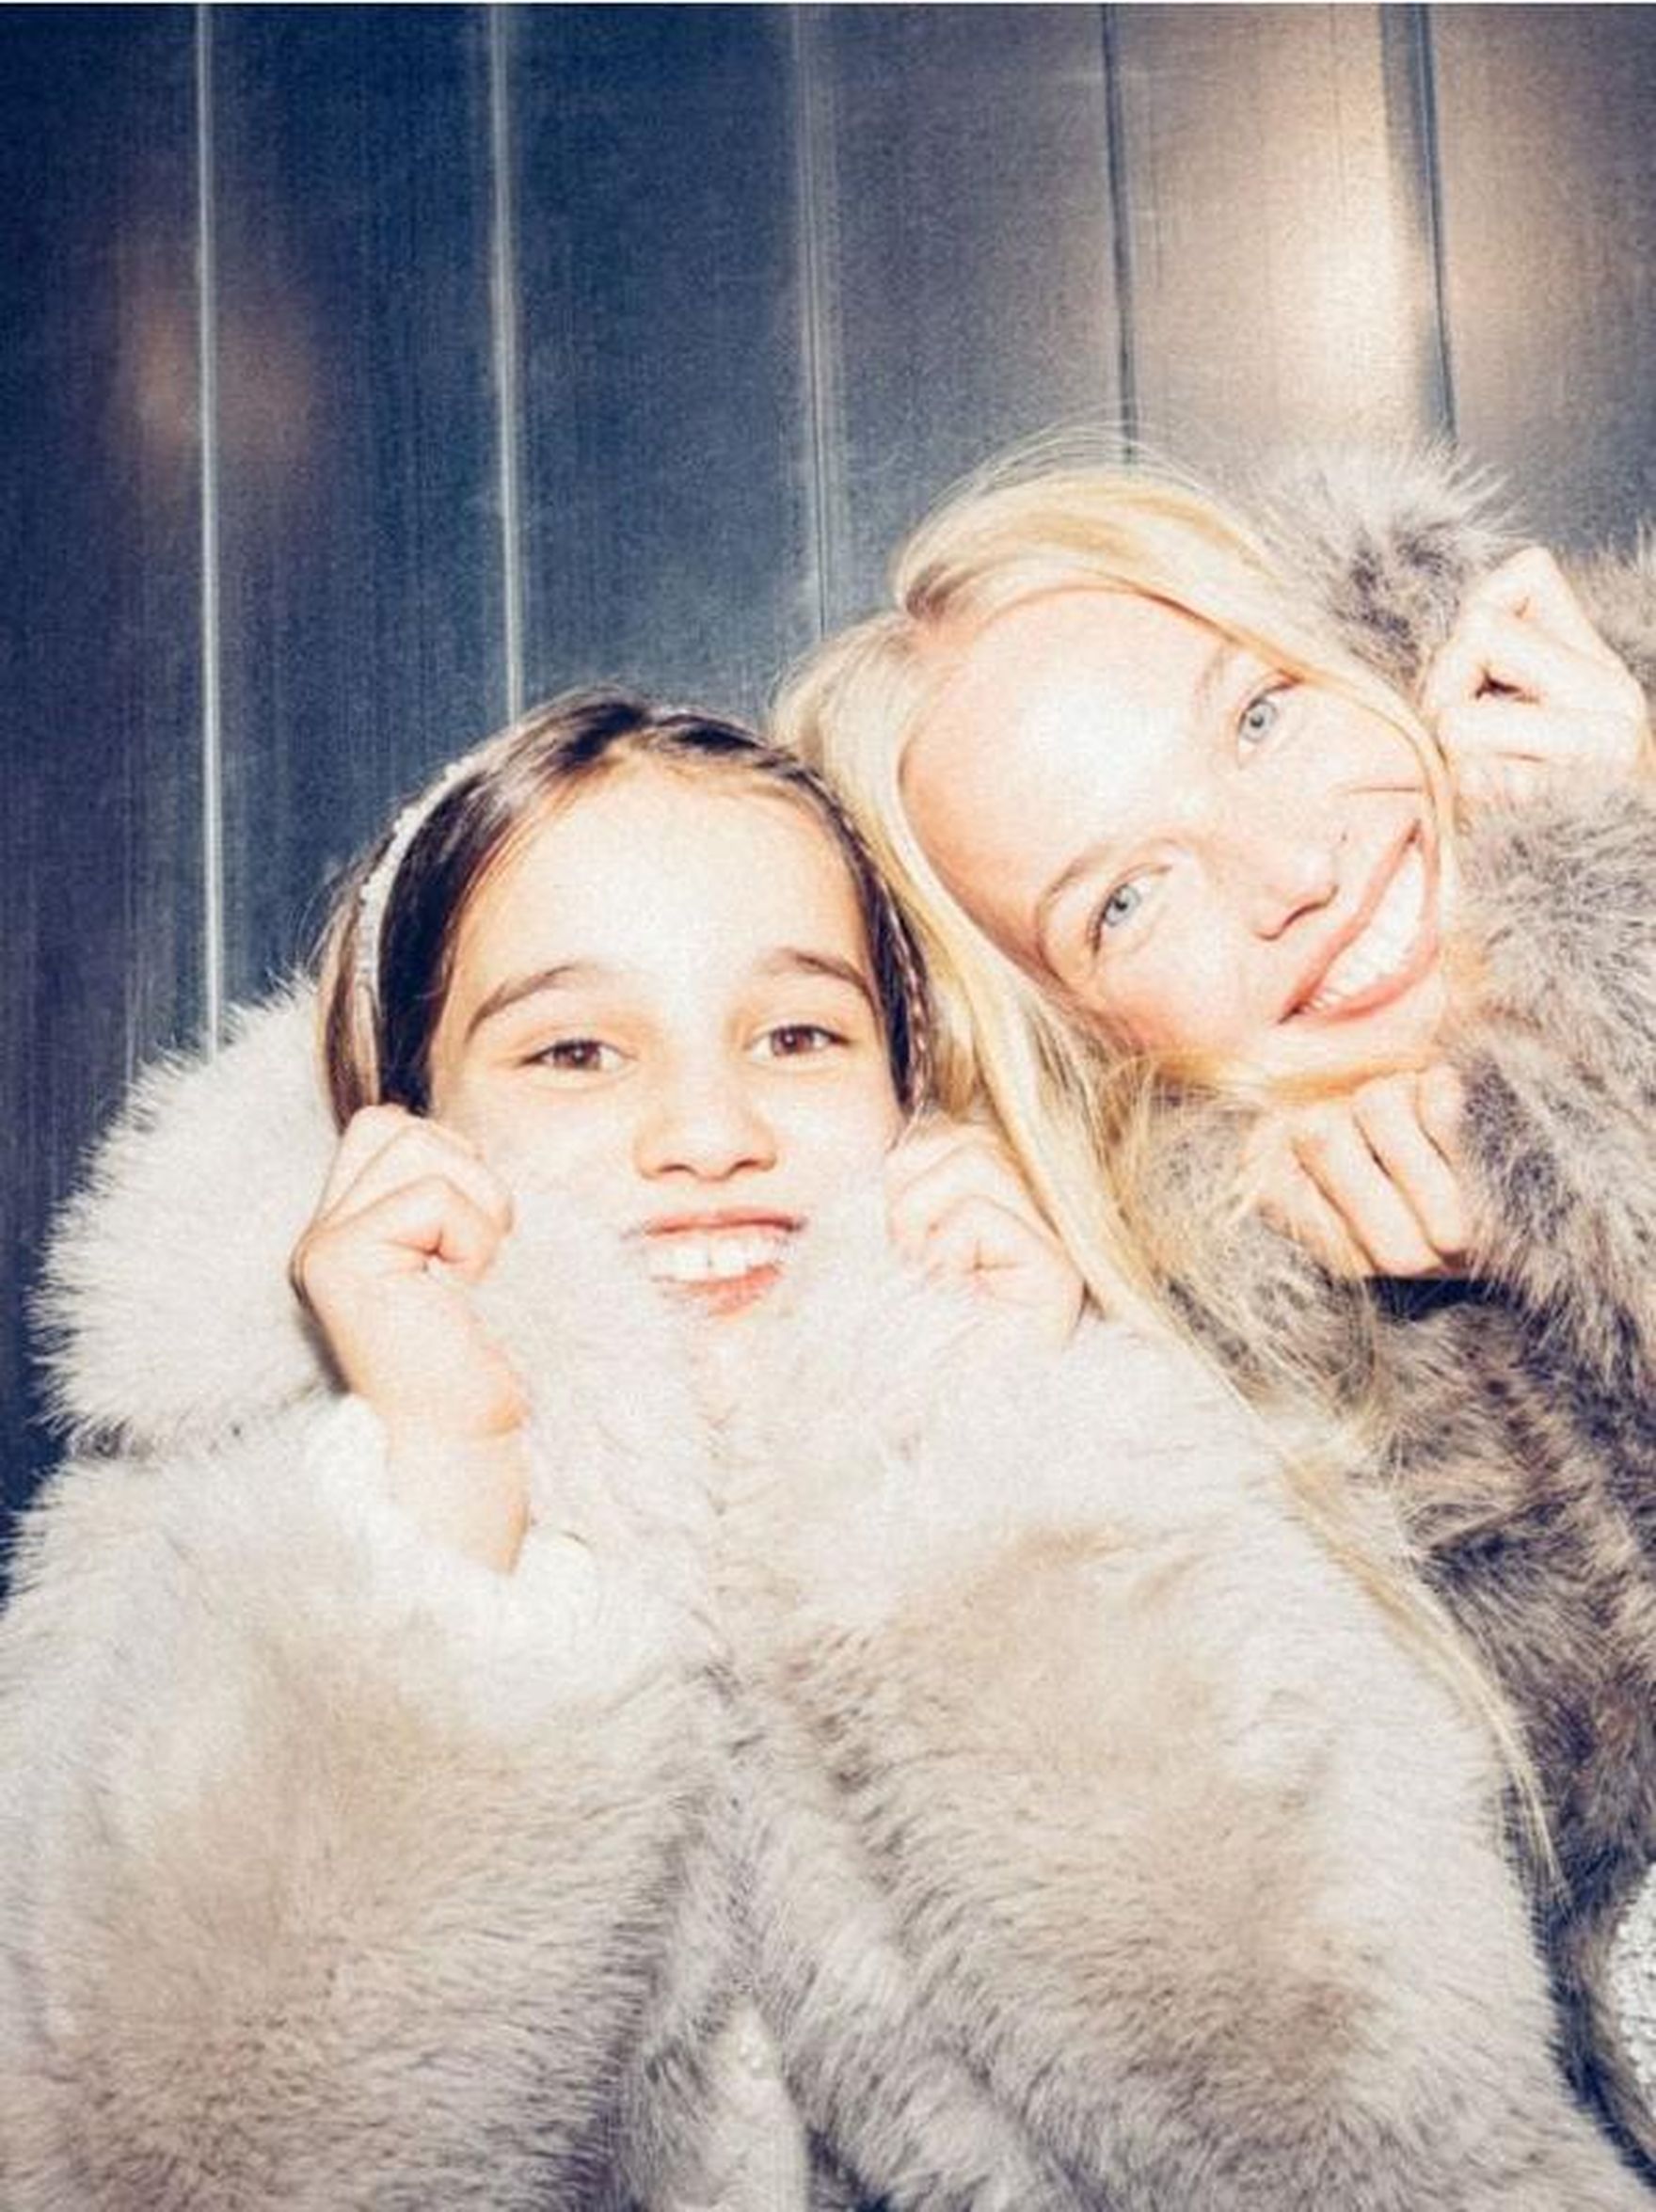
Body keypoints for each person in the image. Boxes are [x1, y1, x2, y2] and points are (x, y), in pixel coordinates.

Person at [2, 689, 1645, 2210]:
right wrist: (439, 1505)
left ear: (909, 1087)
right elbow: (175, 2168)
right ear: (402, 1110)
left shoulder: (1142, 1427)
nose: (710, 1135)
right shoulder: (218, 1533)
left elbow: (1386, 2141)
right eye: (575, 1053)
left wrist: (1002, 1483)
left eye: (797, 1037)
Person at [774, 444, 1656, 2174]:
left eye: (1256, 717)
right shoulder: (1274, 1431)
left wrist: (1621, 946)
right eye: (1126, 897)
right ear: (1079, 1049)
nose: (1290, 869)